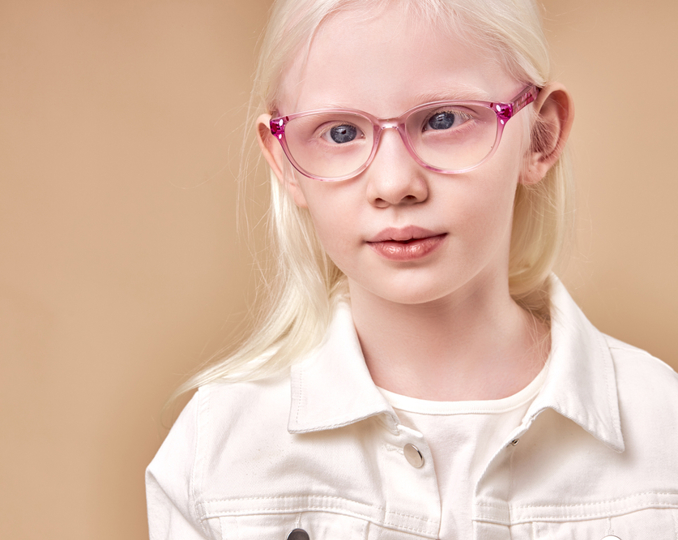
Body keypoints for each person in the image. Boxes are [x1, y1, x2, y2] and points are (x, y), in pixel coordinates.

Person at [145, 0, 678, 538]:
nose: (394, 183)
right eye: (340, 133)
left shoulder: (662, 429)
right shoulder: (218, 452)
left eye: (443, 120)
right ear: (284, 162)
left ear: (540, 137)